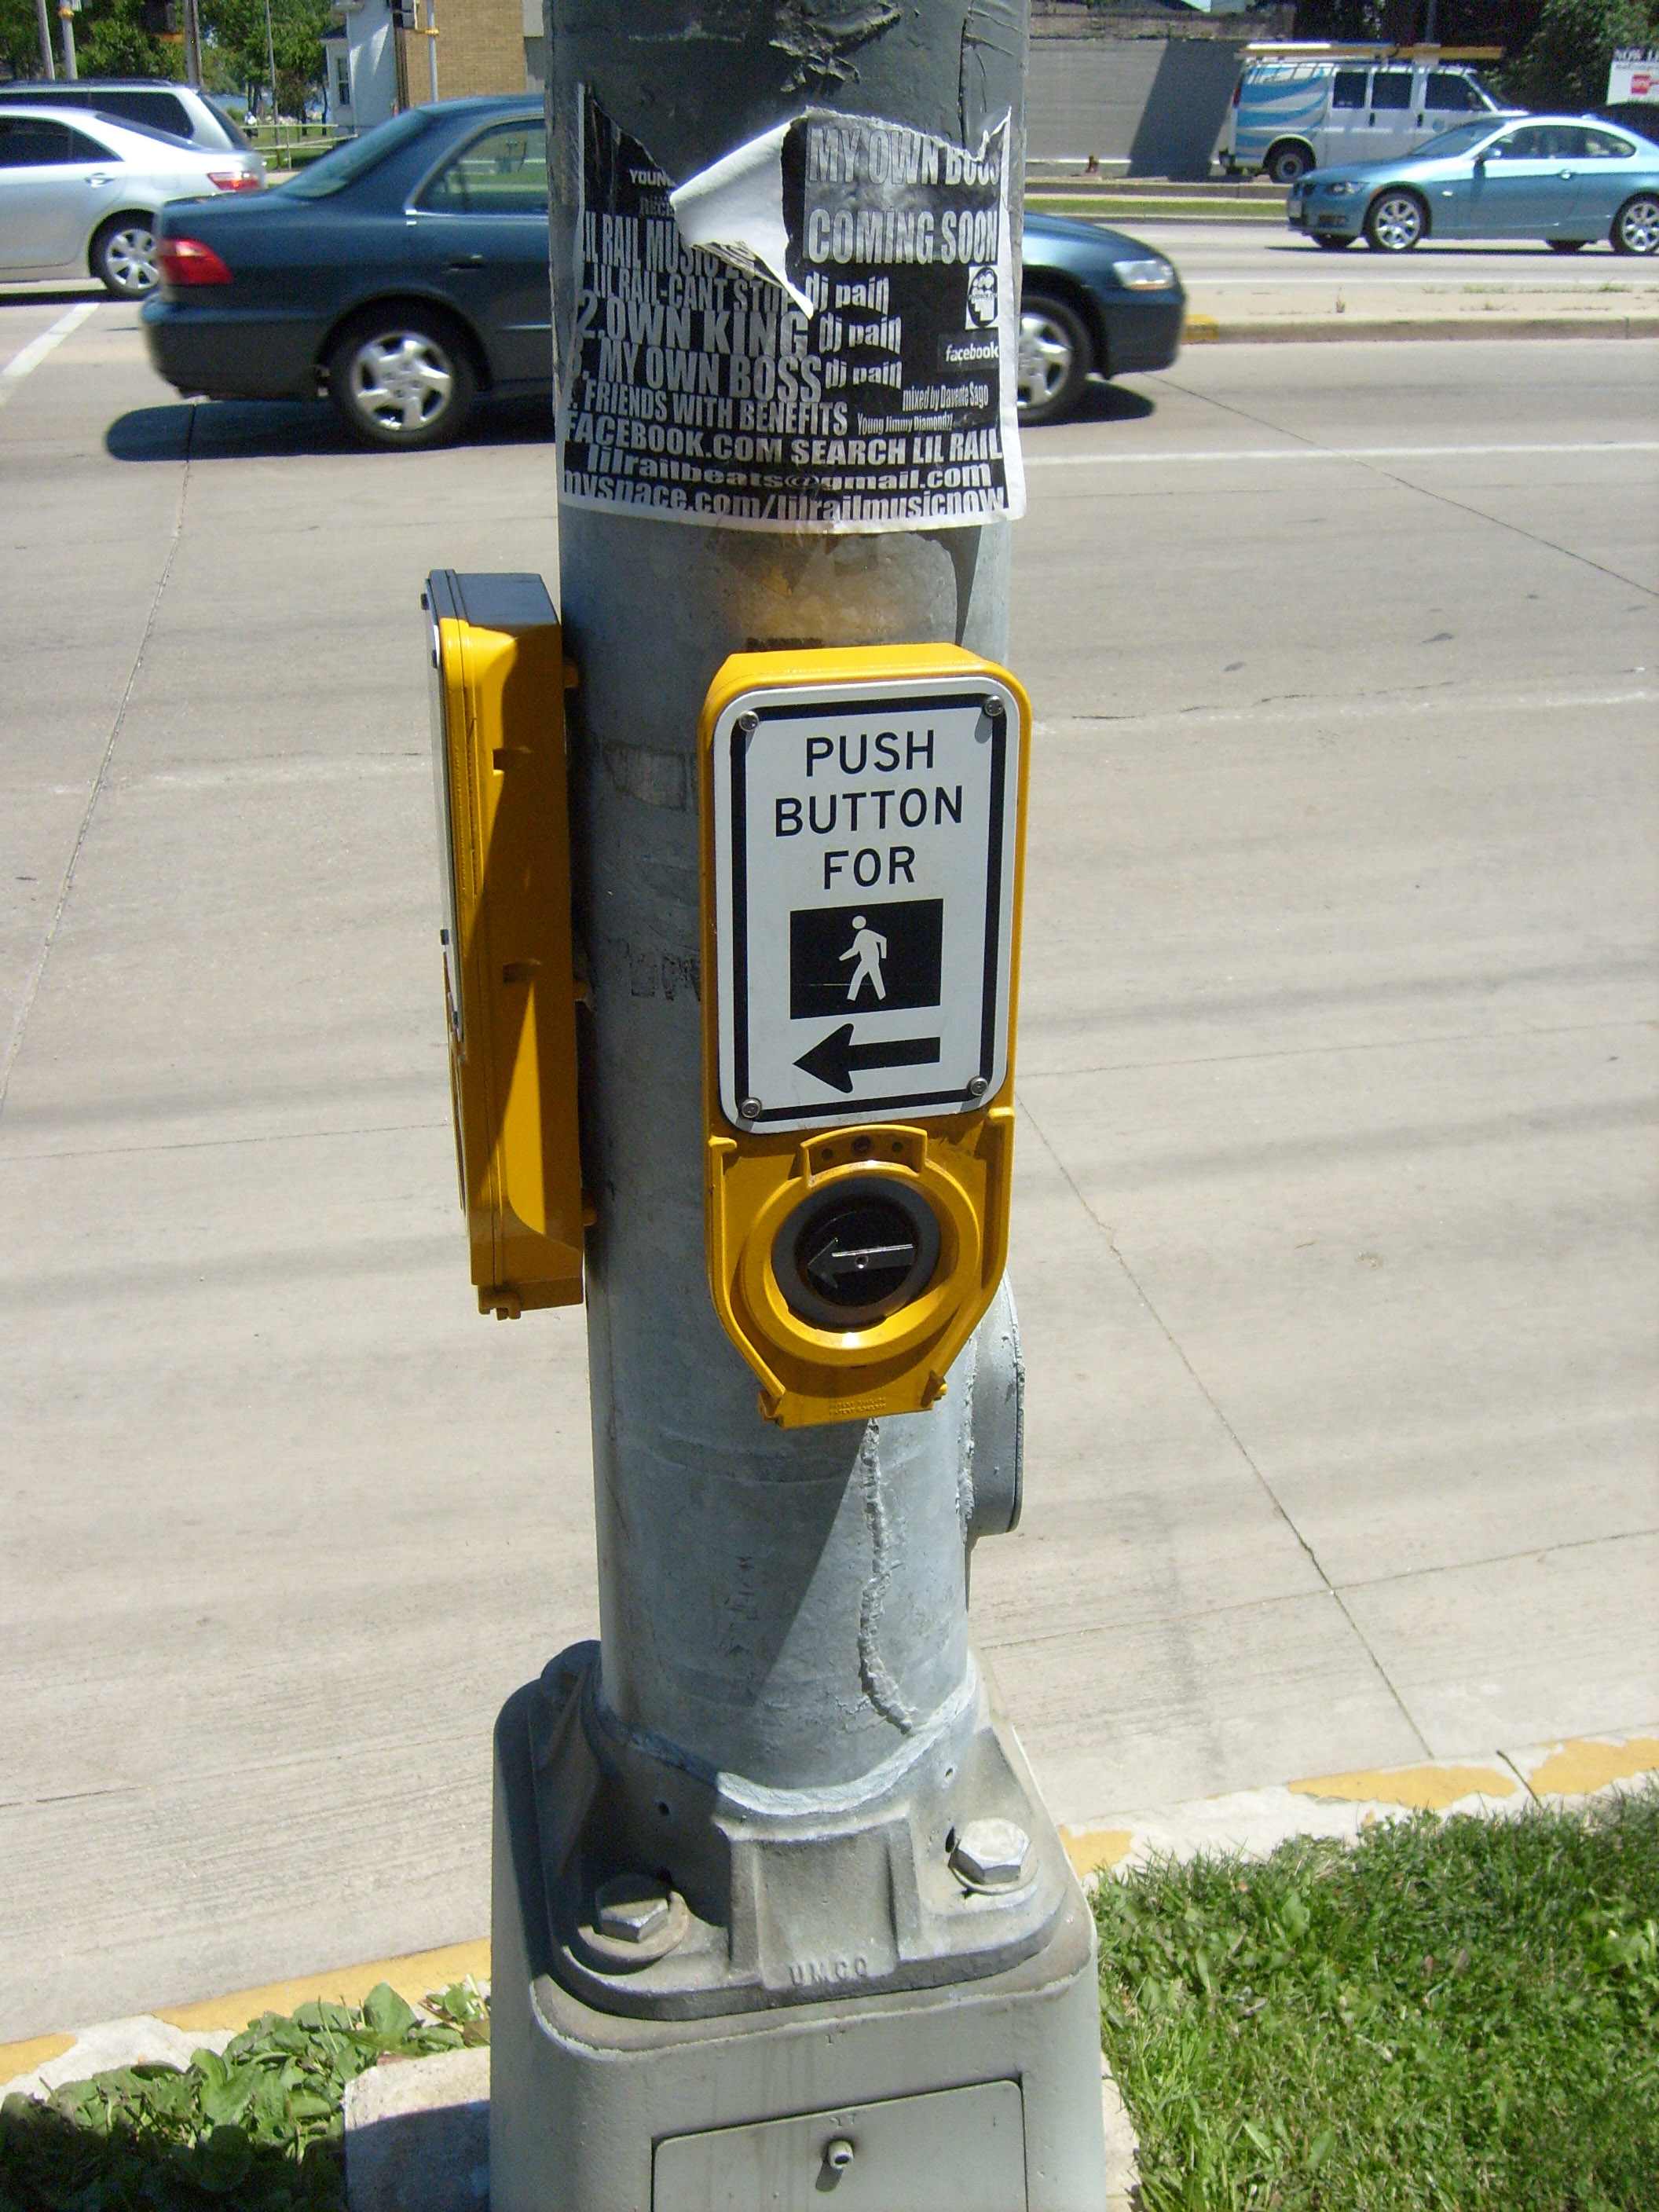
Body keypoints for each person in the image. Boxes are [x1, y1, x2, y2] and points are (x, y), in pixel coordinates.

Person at [840, 915, 887, 1003]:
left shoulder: (865, 933)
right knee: (875, 978)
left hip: (869, 960)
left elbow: (883, 940)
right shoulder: (861, 934)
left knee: (858, 977)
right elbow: (855, 950)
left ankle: (851, 999)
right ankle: (882, 997)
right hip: (868, 960)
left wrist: (883, 956)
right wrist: (841, 958)